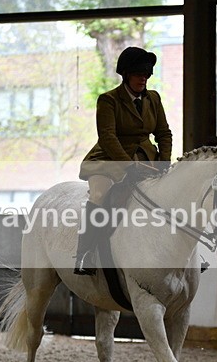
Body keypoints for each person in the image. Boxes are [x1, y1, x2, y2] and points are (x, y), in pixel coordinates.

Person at [74, 46, 173, 275]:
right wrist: (129, 166)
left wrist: (164, 162)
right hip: (110, 159)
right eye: (139, 74)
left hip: (147, 159)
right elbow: (107, 137)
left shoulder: (153, 99)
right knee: (99, 195)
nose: (143, 79)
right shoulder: (108, 100)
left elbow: (164, 133)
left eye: (147, 74)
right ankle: (85, 254)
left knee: (171, 193)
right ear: (126, 75)